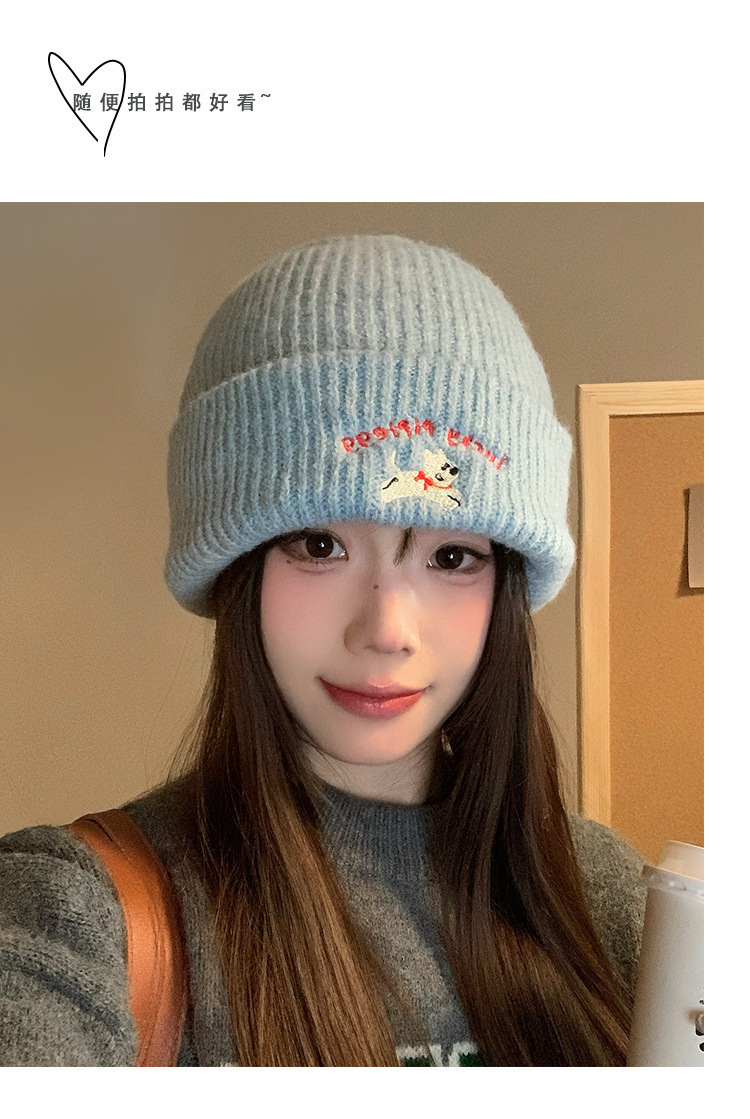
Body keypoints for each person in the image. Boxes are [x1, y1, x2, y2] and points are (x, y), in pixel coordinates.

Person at [0, 234, 646, 1067]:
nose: (386, 628)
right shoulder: (81, 912)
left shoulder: (606, 898)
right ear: (237, 569)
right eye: (318, 544)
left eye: (453, 556)